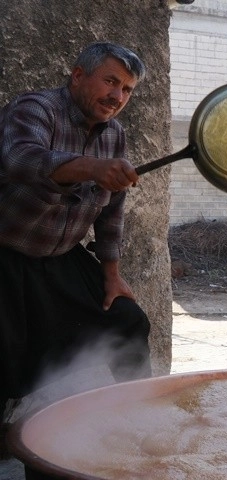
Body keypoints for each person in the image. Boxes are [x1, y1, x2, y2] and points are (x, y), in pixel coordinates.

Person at [0, 42, 152, 418]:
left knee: (127, 323)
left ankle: (144, 420)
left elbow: (111, 212)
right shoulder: (36, 109)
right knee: (2, 363)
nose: (117, 96)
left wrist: (112, 276)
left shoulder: (114, 135)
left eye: (127, 89)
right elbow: (20, 157)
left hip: (61, 257)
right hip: (5, 254)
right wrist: (90, 167)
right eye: (110, 81)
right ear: (79, 76)